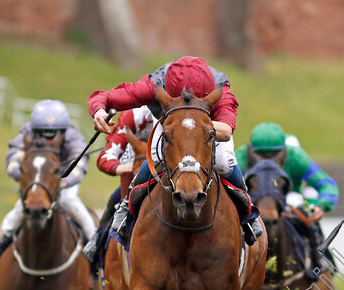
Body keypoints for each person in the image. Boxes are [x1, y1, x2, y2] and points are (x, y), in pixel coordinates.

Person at [87, 56, 263, 246]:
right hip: (171, 124)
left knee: (222, 160)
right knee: (157, 158)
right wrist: (98, 110)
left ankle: (248, 212)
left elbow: (226, 131)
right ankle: (126, 208)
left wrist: (193, 126)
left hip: (209, 128)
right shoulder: (154, 85)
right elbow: (107, 96)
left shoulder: (220, 89)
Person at [0, 99, 95, 262]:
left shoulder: (72, 135)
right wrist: (25, 176)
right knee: (21, 206)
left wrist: (64, 181)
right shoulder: (26, 133)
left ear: (63, 131)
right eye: (42, 132)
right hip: (37, 181)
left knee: (69, 200)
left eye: (54, 134)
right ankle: (3, 241)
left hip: (63, 181)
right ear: (34, 129)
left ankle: (93, 241)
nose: (48, 139)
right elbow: (14, 159)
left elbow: (78, 163)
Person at [236, 122, 339, 276]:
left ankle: (320, 258)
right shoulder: (240, 157)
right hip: (254, 206)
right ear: (251, 151)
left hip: (290, 204)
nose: (267, 160)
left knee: (301, 207)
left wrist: (321, 205)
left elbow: (326, 184)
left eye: (273, 155)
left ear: (283, 151)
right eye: (261, 155)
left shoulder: (295, 156)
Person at [82, 105, 156, 264]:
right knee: (114, 201)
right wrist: (124, 168)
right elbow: (104, 158)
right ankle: (96, 243)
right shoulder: (133, 116)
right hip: (136, 158)